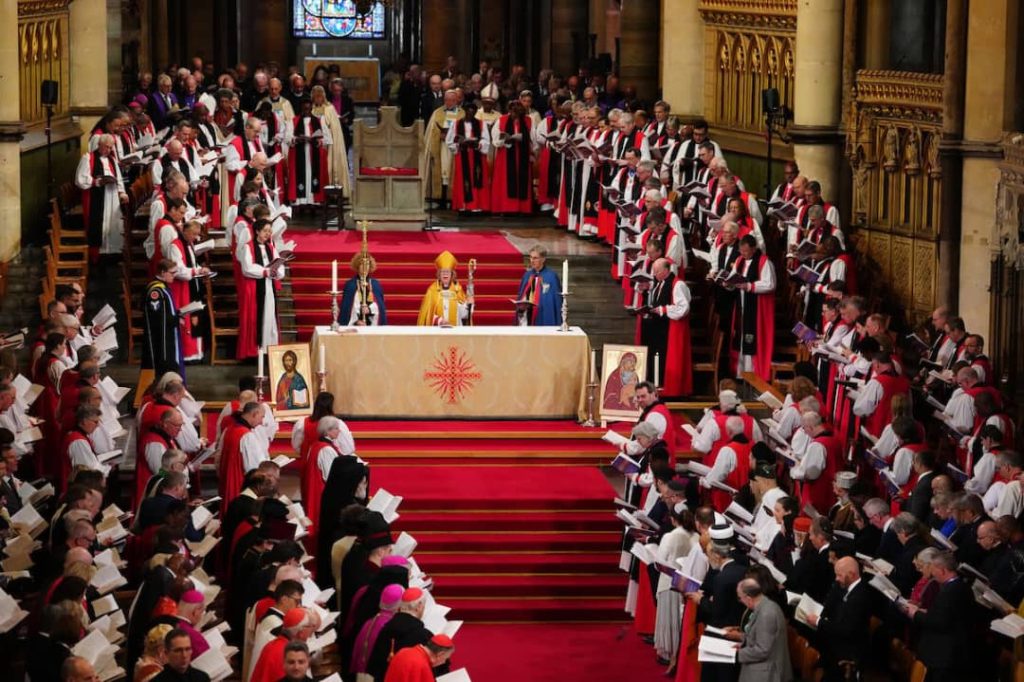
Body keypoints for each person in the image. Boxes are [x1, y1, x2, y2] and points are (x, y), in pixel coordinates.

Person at [902, 551, 972, 681]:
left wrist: (914, 613)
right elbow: (947, 615)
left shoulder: (949, 591)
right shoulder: (962, 586)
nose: (932, 574)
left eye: (934, 569)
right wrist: (925, 612)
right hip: (953, 652)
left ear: (943, 570)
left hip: (943, 656)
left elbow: (938, 622)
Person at [802, 556, 870, 681]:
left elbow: (846, 630)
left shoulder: (860, 596)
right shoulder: (843, 586)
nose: (836, 579)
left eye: (839, 575)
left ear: (852, 574)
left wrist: (818, 621)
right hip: (836, 640)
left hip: (847, 651)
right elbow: (831, 607)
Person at [639, 258, 692, 396]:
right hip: (659, 328)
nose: (654, 274)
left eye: (657, 271)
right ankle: (655, 385)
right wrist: (646, 292)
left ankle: (666, 387)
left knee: (666, 357)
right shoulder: (660, 283)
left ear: (666, 270)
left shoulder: (678, 284)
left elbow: (683, 308)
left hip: (670, 328)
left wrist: (664, 309)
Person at [75, 132, 129, 260]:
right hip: (96, 197)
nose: (109, 150)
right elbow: (80, 179)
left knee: (112, 222)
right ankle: (97, 254)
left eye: (111, 147)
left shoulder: (112, 160)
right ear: (99, 144)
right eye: (107, 147)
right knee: (98, 225)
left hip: (112, 197)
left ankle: (112, 251)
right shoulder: (88, 158)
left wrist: (122, 192)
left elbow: (118, 178)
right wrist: (96, 181)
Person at [237, 219, 285, 359]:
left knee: (270, 317)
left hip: (269, 287)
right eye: (265, 231)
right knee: (256, 318)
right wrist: (265, 272)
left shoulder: (271, 247)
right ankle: (255, 351)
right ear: (257, 231)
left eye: (269, 231)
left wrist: (277, 272)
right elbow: (247, 268)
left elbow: (279, 265)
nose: (268, 234)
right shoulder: (248, 247)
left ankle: (269, 348)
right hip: (255, 289)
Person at [729, 235, 775, 381]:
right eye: (741, 251)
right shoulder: (739, 260)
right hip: (741, 304)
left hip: (756, 307)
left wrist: (749, 286)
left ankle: (752, 375)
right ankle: (740, 373)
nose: (743, 254)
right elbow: (733, 277)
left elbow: (770, 284)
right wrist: (727, 282)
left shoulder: (764, 262)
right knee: (740, 336)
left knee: (751, 338)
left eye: (746, 251)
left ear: (754, 249)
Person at [731, 578, 791, 682]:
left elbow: (763, 650)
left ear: (748, 598)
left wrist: (735, 654)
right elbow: (758, 636)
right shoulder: (765, 606)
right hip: (762, 669)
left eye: (740, 598)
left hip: (766, 674)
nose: (741, 601)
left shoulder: (766, 614)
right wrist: (743, 642)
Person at [446, 100, 491, 213]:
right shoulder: (456, 124)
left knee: (477, 179)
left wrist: (478, 144)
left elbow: (486, 140)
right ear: (465, 111)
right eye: (469, 112)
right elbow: (450, 141)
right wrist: (459, 144)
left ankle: (477, 206)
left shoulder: (481, 124)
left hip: (477, 156)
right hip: (462, 156)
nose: (471, 114)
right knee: (463, 180)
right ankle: (463, 205)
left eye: (473, 112)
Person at [143, 259, 185, 378]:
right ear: (162, 272)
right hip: (161, 339)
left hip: (168, 333)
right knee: (165, 368)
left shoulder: (163, 288)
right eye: (172, 273)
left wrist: (178, 314)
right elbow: (158, 318)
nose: (174, 275)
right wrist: (176, 319)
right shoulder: (155, 291)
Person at [490, 100, 534, 214]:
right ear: (509, 110)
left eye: (518, 112)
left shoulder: (528, 120)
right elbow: (495, 139)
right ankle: (506, 207)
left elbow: (533, 138)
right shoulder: (502, 120)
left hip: (522, 154)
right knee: (505, 182)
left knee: (521, 180)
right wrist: (505, 140)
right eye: (513, 112)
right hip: (505, 155)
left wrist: (527, 143)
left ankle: (522, 208)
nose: (515, 115)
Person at [288, 96, 332, 206]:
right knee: (301, 175)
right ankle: (301, 200)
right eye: (304, 109)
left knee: (313, 175)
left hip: (314, 154)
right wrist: (297, 139)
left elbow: (328, 139)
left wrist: (317, 140)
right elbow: (287, 138)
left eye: (308, 109)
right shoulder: (293, 121)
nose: (306, 111)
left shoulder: (319, 120)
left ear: (311, 108)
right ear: (301, 108)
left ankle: (314, 200)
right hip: (299, 153)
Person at [416, 251, 473, 326]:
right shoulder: (432, 290)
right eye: (443, 272)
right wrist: (439, 320)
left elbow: (464, 315)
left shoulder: (457, 290)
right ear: (439, 274)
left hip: (454, 330)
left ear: (452, 274)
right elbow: (426, 316)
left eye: (448, 272)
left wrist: (469, 304)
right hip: (438, 330)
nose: (445, 274)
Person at [514, 245, 562, 326]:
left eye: (535, 258)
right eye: (530, 257)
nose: (532, 261)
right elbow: (522, 294)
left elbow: (556, 301)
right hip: (527, 314)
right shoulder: (527, 275)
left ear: (543, 259)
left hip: (543, 315)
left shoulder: (551, 276)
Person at [340, 250, 388, 326]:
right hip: (355, 326)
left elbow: (380, 307)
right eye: (362, 264)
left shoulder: (375, 284)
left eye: (367, 264)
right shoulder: (350, 285)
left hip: (372, 325)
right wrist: (356, 321)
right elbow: (346, 309)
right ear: (357, 265)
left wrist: (370, 309)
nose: (365, 267)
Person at [383, 634, 455, 682]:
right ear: (440, 654)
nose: (444, 662)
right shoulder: (424, 668)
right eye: (446, 658)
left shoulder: (404, 650)